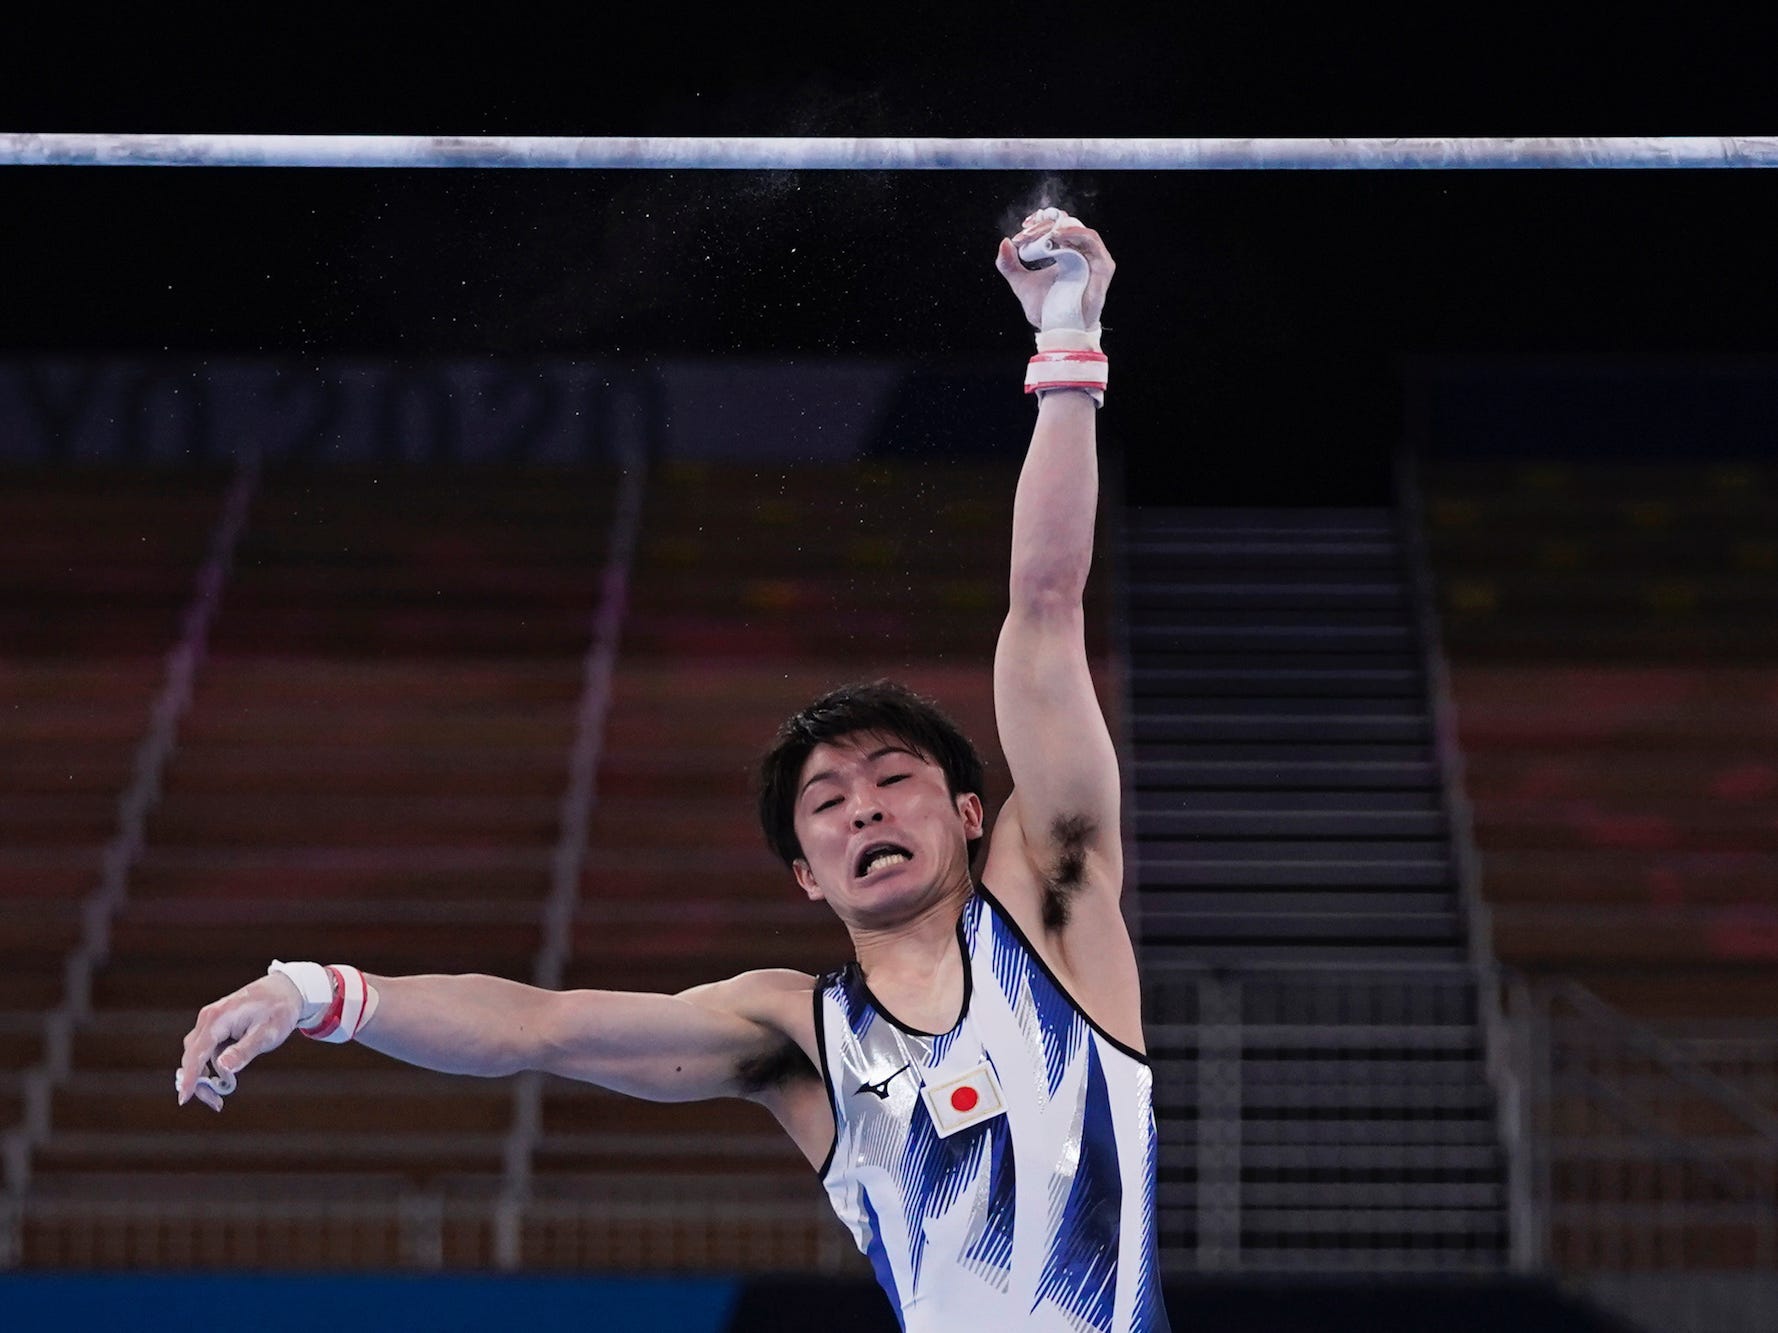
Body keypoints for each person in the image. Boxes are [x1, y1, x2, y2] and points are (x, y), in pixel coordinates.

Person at [177, 209, 1168, 1332]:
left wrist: (1066, 341)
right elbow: (533, 1028)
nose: (863, 810)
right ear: (806, 873)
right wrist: (317, 992)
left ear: (970, 810)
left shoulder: (1054, 905)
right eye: (827, 805)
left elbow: (1043, 613)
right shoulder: (792, 1034)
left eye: (891, 778)